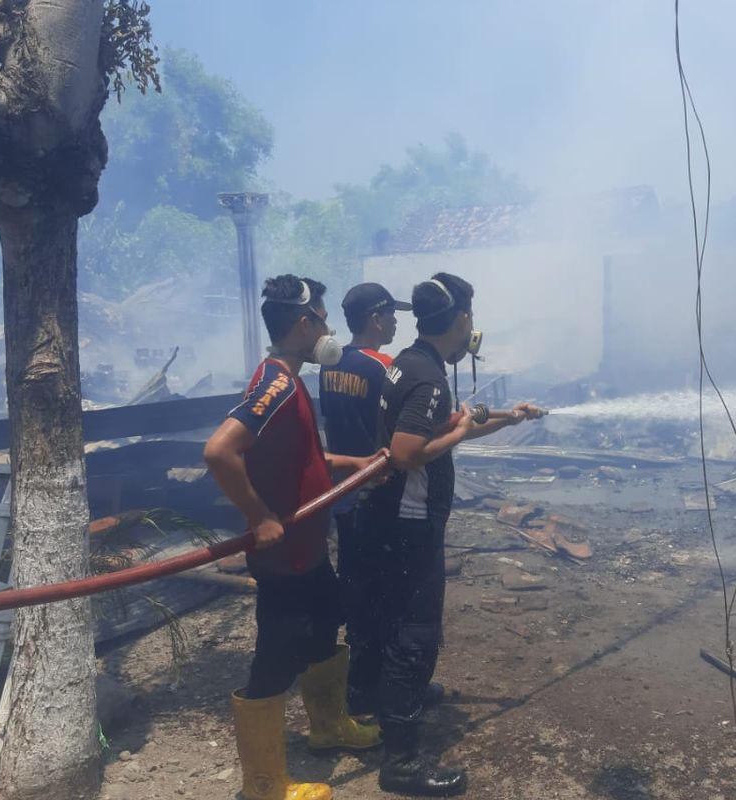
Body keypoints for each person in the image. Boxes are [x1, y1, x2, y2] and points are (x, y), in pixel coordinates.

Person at [204, 274, 385, 800]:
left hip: (309, 550)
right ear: (304, 324)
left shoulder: (289, 378)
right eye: (323, 319)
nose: (328, 328)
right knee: (276, 660)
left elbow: (301, 458)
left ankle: (329, 730)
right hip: (284, 557)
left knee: (327, 630)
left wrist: (353, 462)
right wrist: (259, 515)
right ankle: (264, 785)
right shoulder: (277, 384)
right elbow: (220, 451)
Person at [364, 272, 544, 796]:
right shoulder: (428, 378)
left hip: (397, 520)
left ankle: (399, 702)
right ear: (463, 320)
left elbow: (445, 424)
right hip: (410, 524)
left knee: (400, 626)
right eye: (473, 316)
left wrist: (507, 418)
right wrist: (464, 430)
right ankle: (400, 765)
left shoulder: (412, 362)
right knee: (415, 636)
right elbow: (405, 453)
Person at [318, 282, 445, 718]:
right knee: (389, 599)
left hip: (343, 495)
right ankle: (380, 692)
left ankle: (362, 689)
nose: (396, 322)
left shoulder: (331, 366)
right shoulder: (386, 368)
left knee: (358, 595)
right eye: (391, 315)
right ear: (375, 319)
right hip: (379, 495)